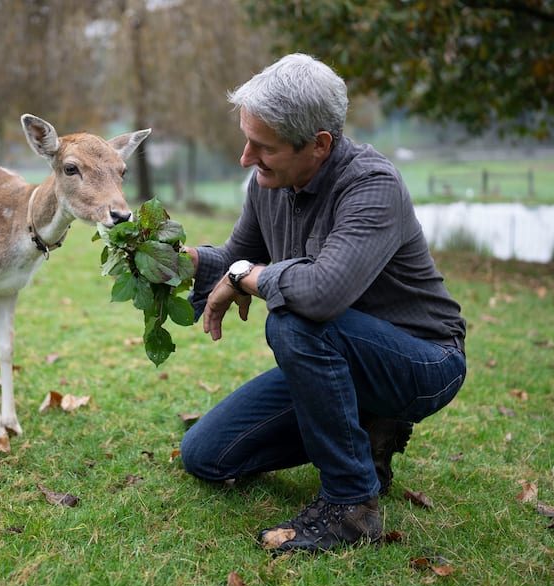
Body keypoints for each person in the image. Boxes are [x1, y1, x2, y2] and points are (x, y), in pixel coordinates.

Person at [180, 53, 467, 553]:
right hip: (338, 358)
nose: (246, 158)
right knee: (206, 455)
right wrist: (173, 259)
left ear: (319, 145)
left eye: (262, 146)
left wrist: (244, 276)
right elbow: (234, 258)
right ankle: (366, 427)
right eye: (247, 139)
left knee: (294, 322)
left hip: (423, 361)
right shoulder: (268, 184)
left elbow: (320, 294)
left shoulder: (372, 186)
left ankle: (351, 505)